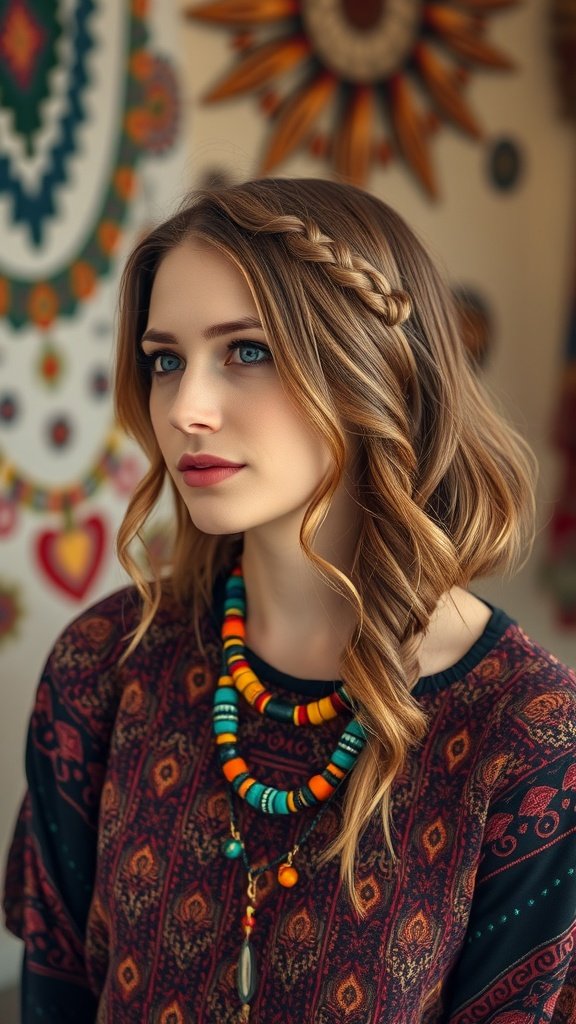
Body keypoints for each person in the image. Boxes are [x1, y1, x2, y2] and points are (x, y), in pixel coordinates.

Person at [3, 177, 576, 1024]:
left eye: (246, 350)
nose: (186, 408)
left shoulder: (525, 735)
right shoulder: (105, 669)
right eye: (166, 360)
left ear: (369, 368)